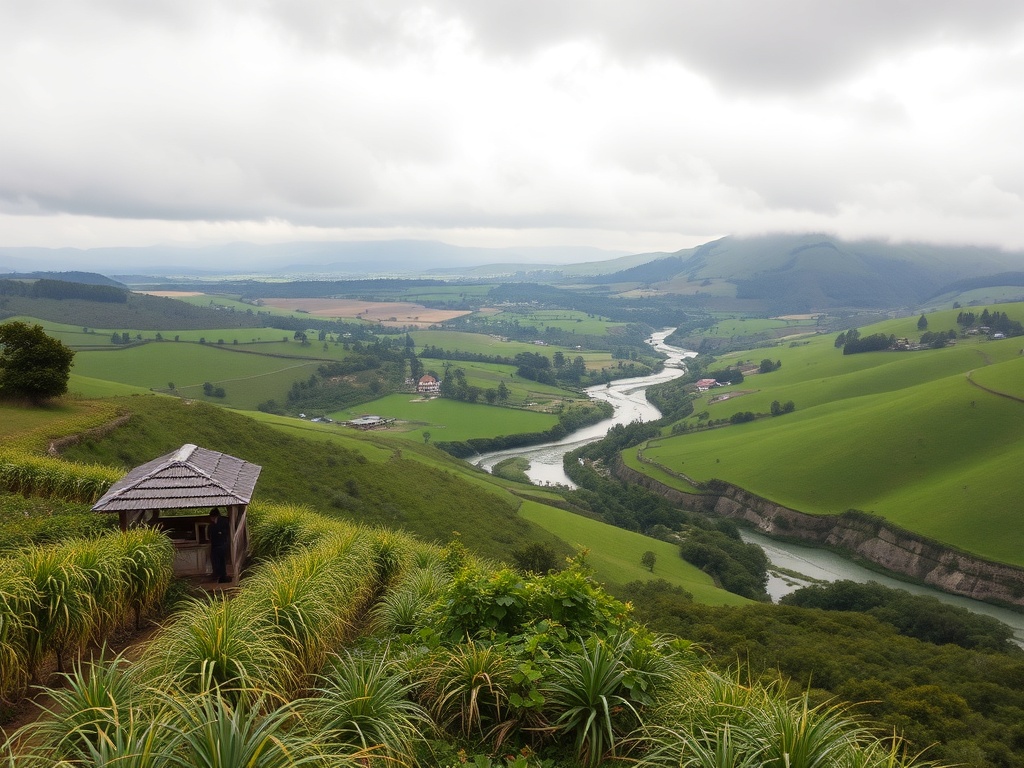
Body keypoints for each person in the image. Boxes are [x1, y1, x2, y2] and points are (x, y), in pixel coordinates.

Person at [208, 508, 230, 583]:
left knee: (218, 562)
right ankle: (221, 576)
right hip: (221, 544)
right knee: (221, 561)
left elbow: (211, 535)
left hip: (219, 545)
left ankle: (220, 576)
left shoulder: (217, 523)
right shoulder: (224, 521)